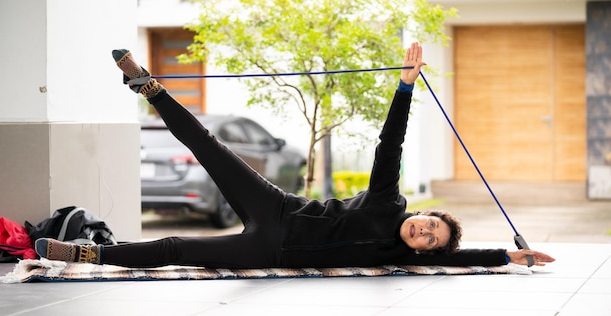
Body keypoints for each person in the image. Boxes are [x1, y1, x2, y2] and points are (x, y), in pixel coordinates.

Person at [35, 43, 555, 269]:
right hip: (277, 208)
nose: (423, 232)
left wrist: (511, 256)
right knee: (210, 148)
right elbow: (390, 145)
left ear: (426, 251)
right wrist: (404, 88)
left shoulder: (399, 257)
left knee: (175, 245)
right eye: (428, 224)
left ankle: (90, 255)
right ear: (421, 214)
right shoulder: (386, 203)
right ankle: (149, 87)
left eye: (430, 240)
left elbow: (464, 259)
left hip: (271, 252)